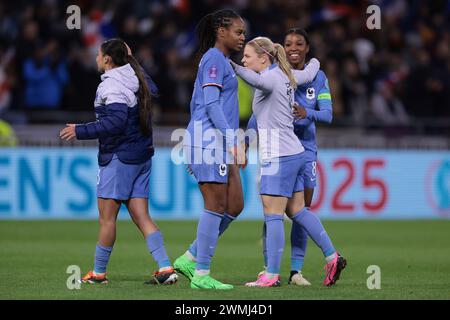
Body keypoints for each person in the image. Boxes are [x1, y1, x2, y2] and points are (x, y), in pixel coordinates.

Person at [59, 38, 177, 285]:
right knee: (141, 216)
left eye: (98, 54)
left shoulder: (111, 85)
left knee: (107, 218)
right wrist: (132, 59)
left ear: (107, 59)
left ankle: (99, 274)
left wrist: (80, 131)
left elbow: (116, 122)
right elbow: (153, 89)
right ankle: (166, 267)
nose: (95, 58)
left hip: (119, 157)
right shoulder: (135, 77)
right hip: (141, 155)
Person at [233, 36, 345, 287]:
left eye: (247, 56)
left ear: (264, 58)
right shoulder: (286, 76)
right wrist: (315, 60)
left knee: (272, 214)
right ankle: (333, 256)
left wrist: (229, 65)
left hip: (278, 155)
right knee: (297, 210)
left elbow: (251, 78)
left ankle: (271, 274)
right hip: (295, 152)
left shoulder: (270, 78)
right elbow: (308, 74)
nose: (243, 59)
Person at [172, 9, 246, 290]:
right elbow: (212, 105)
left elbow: (197, 103)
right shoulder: (214, 58)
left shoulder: (222, 61)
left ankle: (190, 256)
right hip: (210, 141)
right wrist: (233, 140)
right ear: (221, 31)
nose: (242, 37)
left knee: (235, 204)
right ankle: (201, 274)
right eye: (238, 32)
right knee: (215, 205)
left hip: (212, 141)